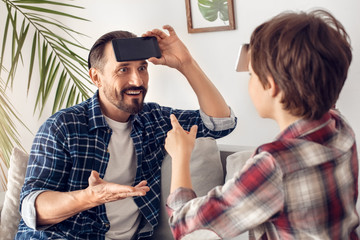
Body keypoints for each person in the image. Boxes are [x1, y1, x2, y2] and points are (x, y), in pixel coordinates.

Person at [16, 25, 237, 239]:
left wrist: (186, 63)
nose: (137, 80)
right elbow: (31, 209)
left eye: (142, 68)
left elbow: (220, 123)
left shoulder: (153, 120)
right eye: (123, 70)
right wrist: (90, 197)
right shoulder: (63, 126)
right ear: (96, 77)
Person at [164, 10, 359, 240]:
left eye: (251, 75)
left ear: (271, 85)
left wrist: (180, 157)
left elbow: (186, 228)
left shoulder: (273, 165)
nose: (248, 81)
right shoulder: (339, 127)